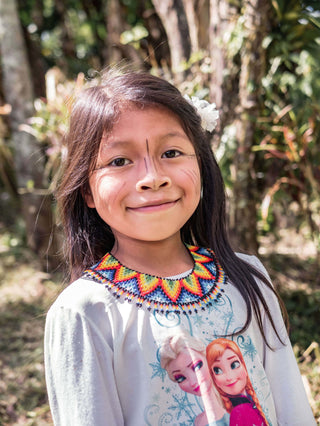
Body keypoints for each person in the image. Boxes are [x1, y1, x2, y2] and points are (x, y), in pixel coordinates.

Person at [44, 68, 316, 426]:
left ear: (201, 166)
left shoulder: (248, 278)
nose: (152, 177)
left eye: (171, 152)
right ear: (87, 191)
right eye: (119, 161)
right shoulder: (84, 313)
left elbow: (292, 408)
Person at [160, 330, 229, 425]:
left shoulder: (239, 408)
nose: (193, 382)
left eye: (196, 367)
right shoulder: (199, 421)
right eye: (180, 378)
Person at [206, 338, 268, 426]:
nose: (229, 377)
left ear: (244, 365)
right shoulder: (239, 412)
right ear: (214, 379)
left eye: (234, 365)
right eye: (218, 370)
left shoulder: (253, 403)